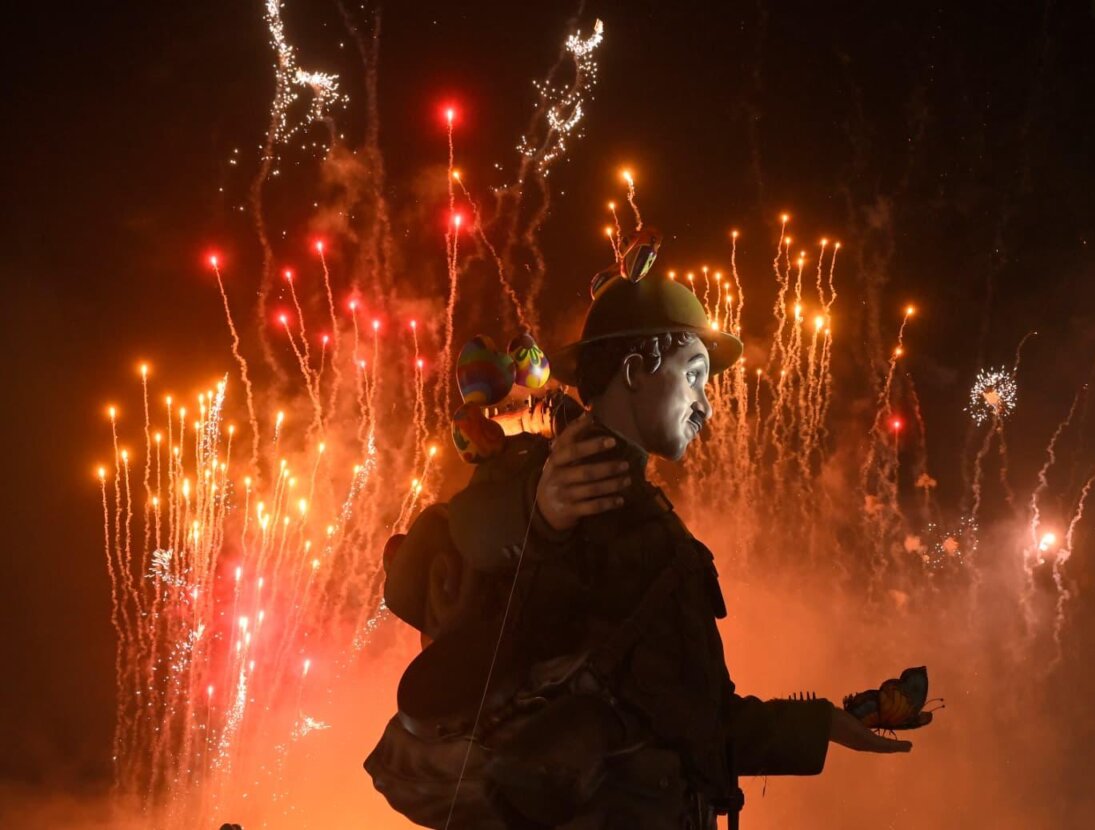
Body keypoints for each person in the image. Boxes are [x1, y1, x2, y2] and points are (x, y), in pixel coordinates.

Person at [373, 273, 912, 829]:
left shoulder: (655, 530)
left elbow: (694, 722)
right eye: (694, 375)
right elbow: (470, 540)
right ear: (634, 372)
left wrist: (822, 724)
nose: (705, 403)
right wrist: (539, 517)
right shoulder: (547, 484)